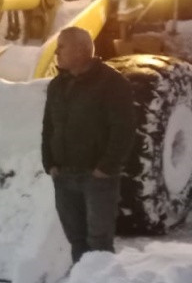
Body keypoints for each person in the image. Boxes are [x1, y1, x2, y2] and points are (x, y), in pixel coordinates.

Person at [42, 27, 135, 263]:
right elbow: (49, 127)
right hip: (64, 175)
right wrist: (50, 163)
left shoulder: (112, 83)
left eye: (62, 46)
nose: (56, 51)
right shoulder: (58, 85)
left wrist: (105, 168)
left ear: (82, 50)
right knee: (76, 239)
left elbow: (123, 130)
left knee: (99, 242)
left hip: (97, 178)